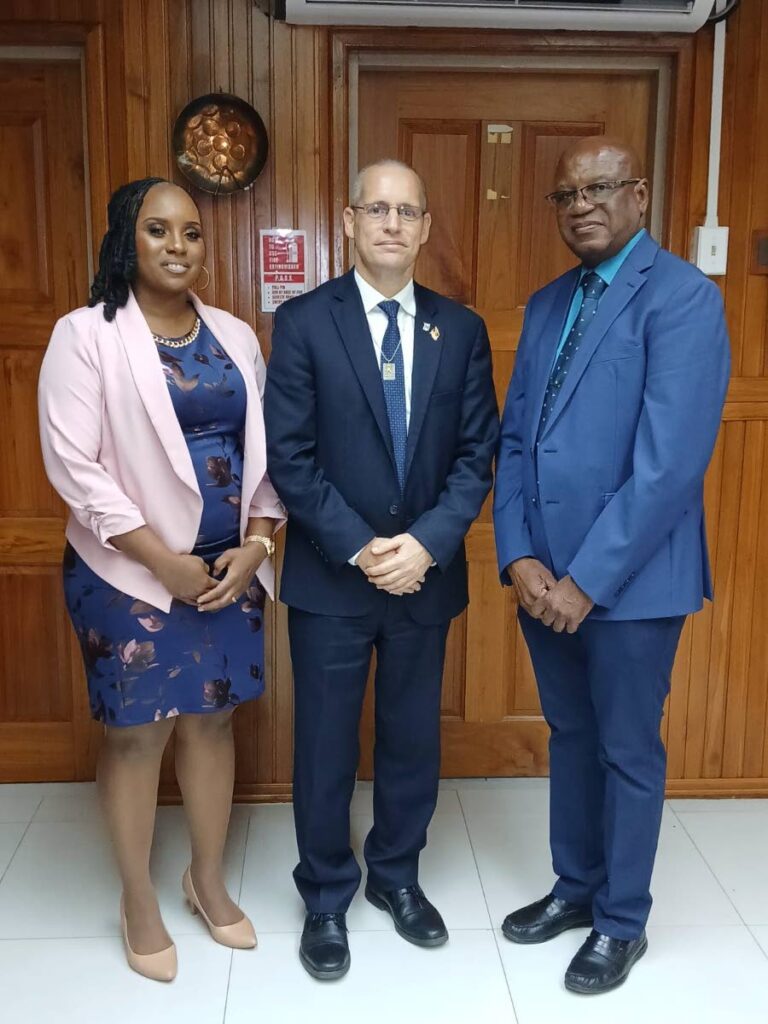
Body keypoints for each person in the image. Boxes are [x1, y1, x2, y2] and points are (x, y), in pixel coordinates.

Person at [493, 137, 730, 994]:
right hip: (541, 579)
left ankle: (622, 920)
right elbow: (516, 437)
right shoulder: (548, 303)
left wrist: (586, 582)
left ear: (637, 193)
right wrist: (518, 553)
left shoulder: (683, 299)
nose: (581, 205)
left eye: (598, 188)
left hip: (626, 584)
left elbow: (668, 466)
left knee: (627, 748)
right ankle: (576, 887)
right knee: (571, 737)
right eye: (566, 195)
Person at [38, 178, 284, 982]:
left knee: (213, 725)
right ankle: (138, 899)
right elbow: (75, 468)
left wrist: (258, 541)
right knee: (137, 735)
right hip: (129, 575)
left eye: (191, 233)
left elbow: (264, 452)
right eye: (158, 230)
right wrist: (161, 560)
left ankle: (204, 880)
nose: (178, 246)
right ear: (127, 240)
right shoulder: (87, 336)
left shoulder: (237, 335)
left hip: (226, 572)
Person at [265, 159, 498, 980]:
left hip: (424, 578)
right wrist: (365, 549)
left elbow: (477, 457)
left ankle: (396, 876)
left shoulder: (460, 329)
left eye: (408, 210)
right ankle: (326, 895)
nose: (393, 224)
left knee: (410, 739)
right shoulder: (301, 323)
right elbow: (290, 461)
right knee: (325, 745)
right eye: (377, 209)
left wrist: (426, 545)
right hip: (333, 577)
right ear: (349, 220)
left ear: (427, 227)